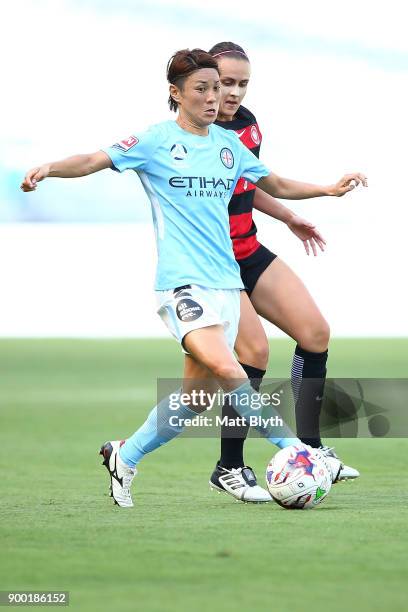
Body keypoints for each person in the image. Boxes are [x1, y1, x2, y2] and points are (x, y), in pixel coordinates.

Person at [21, 49, 366, 508]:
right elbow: (92, 159)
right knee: (231, 369)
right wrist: (49, 169)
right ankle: (298, 452)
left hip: (228, 284)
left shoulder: (229, 147)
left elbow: (275, 184)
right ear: (175, 93)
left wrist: (326, 189)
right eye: (202, 89)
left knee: (194, 400)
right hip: (183, 285)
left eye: (217, 88)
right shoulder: (155, 141)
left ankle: (125, 454)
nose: (214, 97)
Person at [206, 42, 362, 501]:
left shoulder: (247, 126)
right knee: (252, 355)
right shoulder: (190, 135)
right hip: (213, 264)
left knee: (315, 333)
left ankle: (310, 451)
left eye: (240, 83)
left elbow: (250, 183)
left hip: (248, 249)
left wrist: (290, 214)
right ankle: (229, 466)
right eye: (223, 83)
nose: (232, 92)